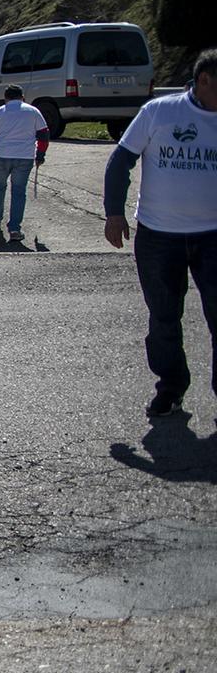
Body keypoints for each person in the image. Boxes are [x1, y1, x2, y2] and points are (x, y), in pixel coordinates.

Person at [105, 48, 217, 419]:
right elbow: (120, 161)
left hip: (213, 236)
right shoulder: (159, 112)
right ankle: (170, 386)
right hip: (158, 236)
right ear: (204, 80)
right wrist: (114, 213)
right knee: (164, 317)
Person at [0, 84, 49, 245]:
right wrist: (40, 156)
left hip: (2, 156)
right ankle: (14, 229)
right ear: (22, 97)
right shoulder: (33, 112)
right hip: (24, 157)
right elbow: (43, 136)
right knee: (19, 192)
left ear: (5, 98)